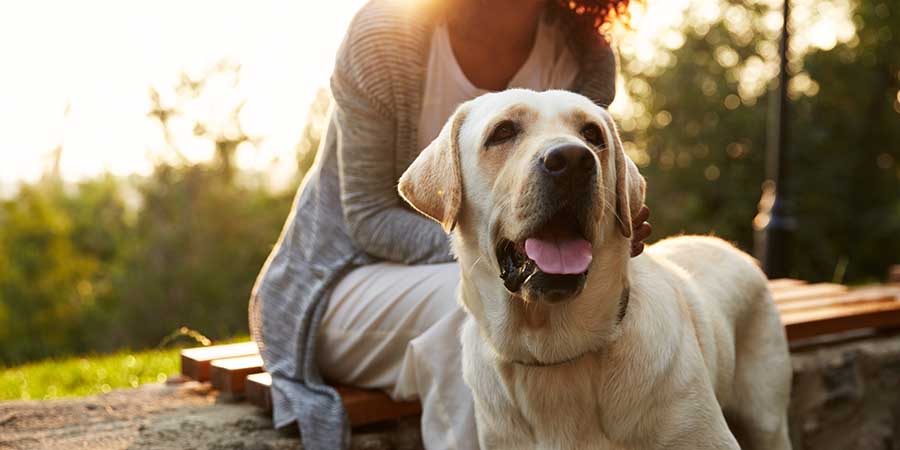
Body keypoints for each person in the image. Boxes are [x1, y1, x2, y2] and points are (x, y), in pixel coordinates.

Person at [249, 0, 651, 449]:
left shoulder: (585, 53)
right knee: (475, 302)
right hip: (339, 282)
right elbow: (367, 217)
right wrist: (489, 251)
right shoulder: (386, 33)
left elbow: (588, 189)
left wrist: (610, 222)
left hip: (526, 271)